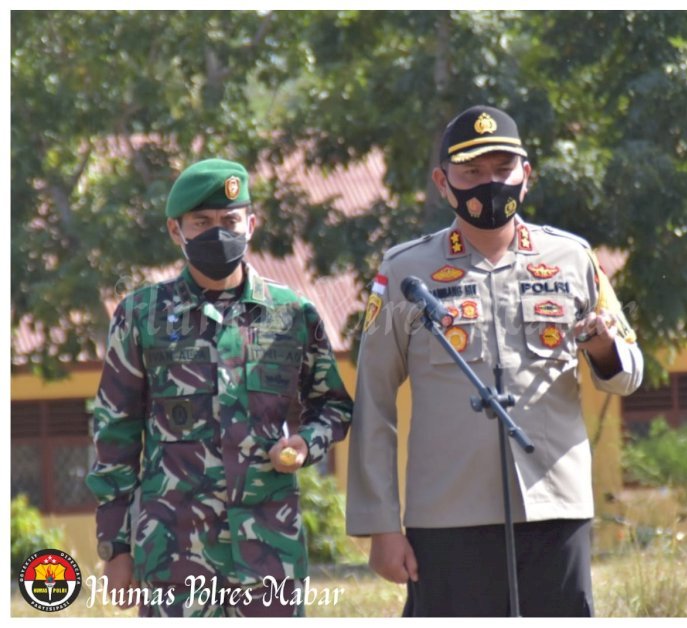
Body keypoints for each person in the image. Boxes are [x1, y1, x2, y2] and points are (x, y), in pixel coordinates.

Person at [346, 105, 643, 617]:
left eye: (503, 169)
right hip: (447, 515)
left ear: (525, 176)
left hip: (554, 506)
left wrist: (601, 348)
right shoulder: (405, 270)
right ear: (444, 182)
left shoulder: (573, 259)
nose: (491, 184)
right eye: (472, 173)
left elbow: (629, 372)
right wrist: (381, 526)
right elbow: (373, 402)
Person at [86, 158, 353, 617]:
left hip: (269, 552)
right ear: (176, 231)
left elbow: (333, 406)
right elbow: (115, 433)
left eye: (229, 220)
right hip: (174, 556)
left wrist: (305, 444)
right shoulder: (141, 316)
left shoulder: (293, 315)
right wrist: (116, 546)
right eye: (201, 222)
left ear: (251, 224)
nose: (218, 232)